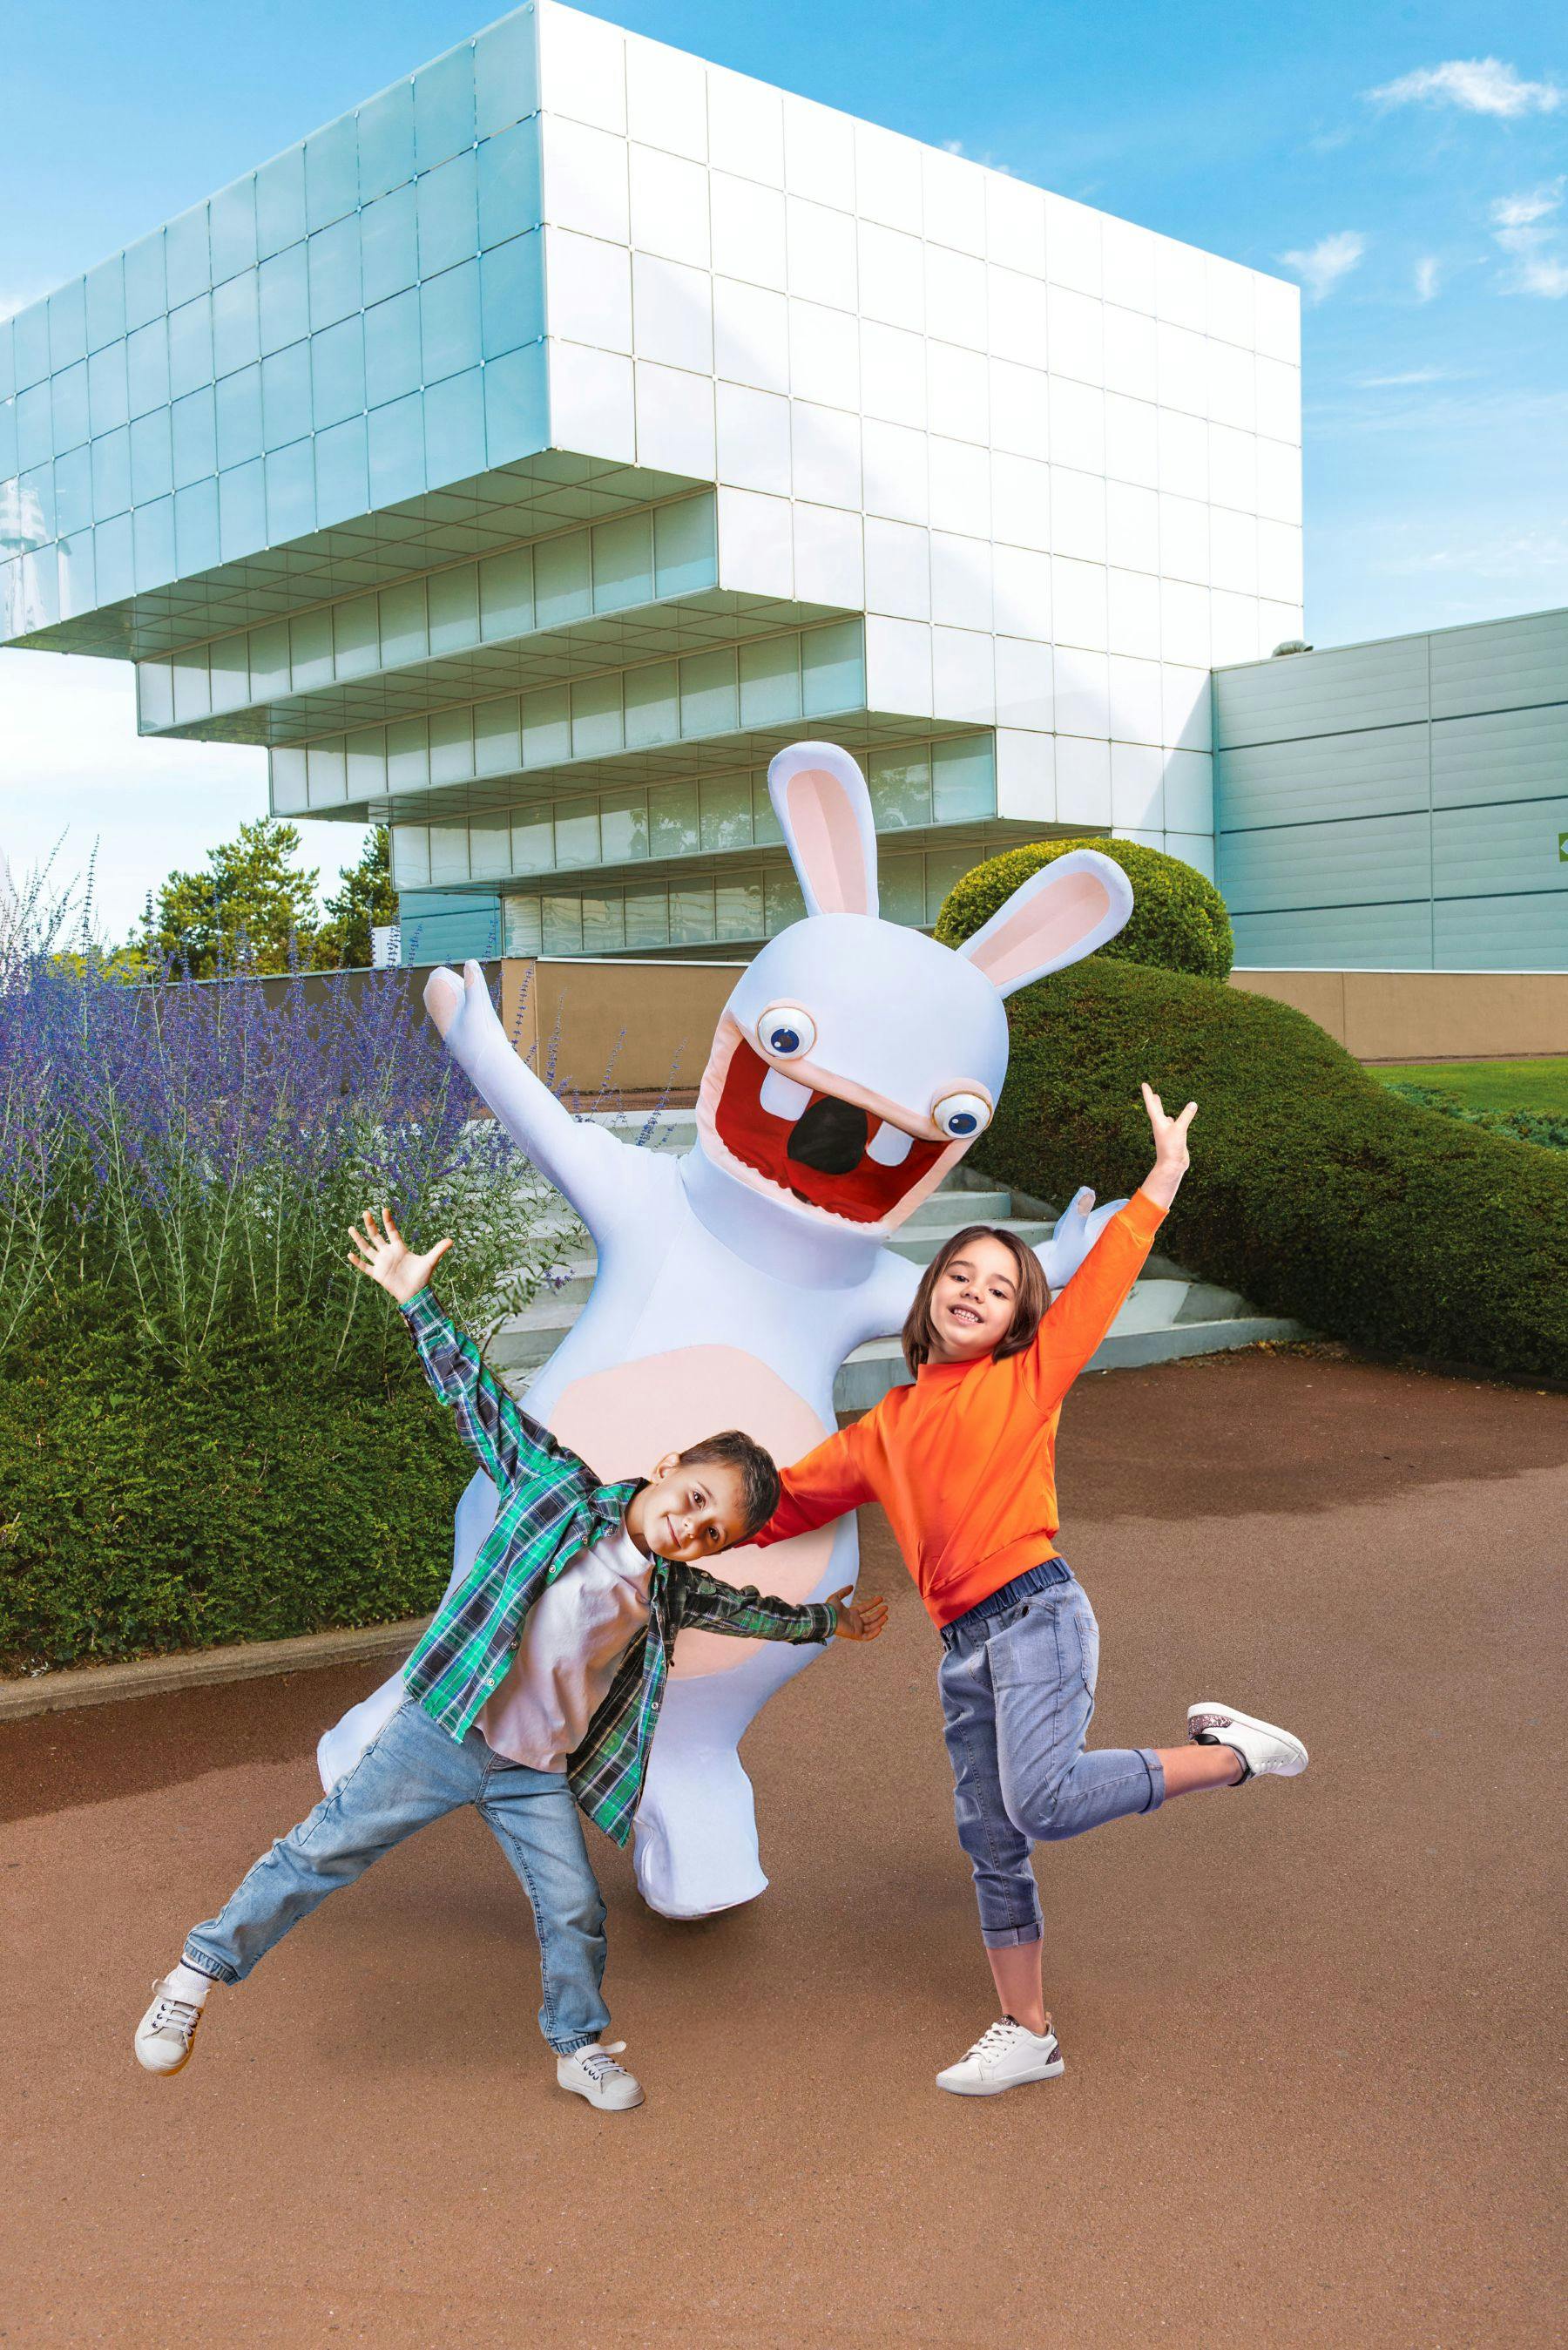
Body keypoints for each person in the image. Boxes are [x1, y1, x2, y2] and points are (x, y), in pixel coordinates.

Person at [134, 1209, 888, 2110]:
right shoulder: (553, 1490)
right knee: (320, 1852)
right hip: (441, 1730)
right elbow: (480, 1402)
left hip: (531, 1773)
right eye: (691, 1498)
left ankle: (577, 2046)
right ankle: (194, 1975)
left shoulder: (674, 1591)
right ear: (665, 1466)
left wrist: (825, 1625)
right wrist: (418, 1301)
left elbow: (751, 1611)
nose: (689, 1526)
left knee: (573, 1908)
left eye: (710, 1530)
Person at [750, 1085, 1308, 2098]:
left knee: (1042, 1801)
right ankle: (1029, 2031)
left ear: (1017, 1319)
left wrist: (1162, 1180)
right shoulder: (882, 1427)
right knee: (992, 1837)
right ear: (928, 1296)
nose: (971, 1290)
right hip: (964, 1647)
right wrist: (683, 1515)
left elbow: (1100, 1287)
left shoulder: (1027, 1378)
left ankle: (1228, 1757)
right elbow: (785, 1502)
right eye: (957, 1274)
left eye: (997, 1287)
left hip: (1038, 1611)